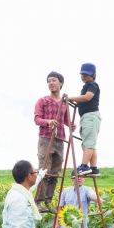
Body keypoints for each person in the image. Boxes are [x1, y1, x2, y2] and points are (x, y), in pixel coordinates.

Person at [34, 71, 76, 212]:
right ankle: (39, 202)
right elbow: (37, 119)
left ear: (61, 83)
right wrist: (48, 122)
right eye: (49, 81)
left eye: (53, 80)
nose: (51, 83)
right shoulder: (42, 101)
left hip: (60, 140)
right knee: (44, 170)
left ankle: (48, 202)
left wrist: (71, 125)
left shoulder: (64, 103)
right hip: (46, 138)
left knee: (55, 172)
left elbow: (64, 120)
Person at [68, 63, 101, 177]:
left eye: (86, 74)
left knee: (89, 143)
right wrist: (76, 102)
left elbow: (87, 97)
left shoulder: (92, 84)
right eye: (82, 74)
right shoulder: (87, 85)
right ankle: (94, 168)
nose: (83, 76)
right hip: (87, 117)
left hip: (90, 116)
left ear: (93, 75)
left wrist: (71, 98)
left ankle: (83, 166)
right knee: (90, 143)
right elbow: (83, 99)